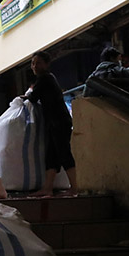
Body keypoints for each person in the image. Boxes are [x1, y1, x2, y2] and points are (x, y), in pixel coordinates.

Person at [22, 51, 78, 196]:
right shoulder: (46, 79)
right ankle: (47, 188)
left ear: (47, 64)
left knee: (63, 153)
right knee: (51, 156)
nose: (34, 66)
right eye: (33, 63)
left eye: (38, 63)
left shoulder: (45, 78)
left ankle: (74, 188)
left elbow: (33, 98)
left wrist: (23, 98)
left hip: (59, 122)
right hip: (54, 122)